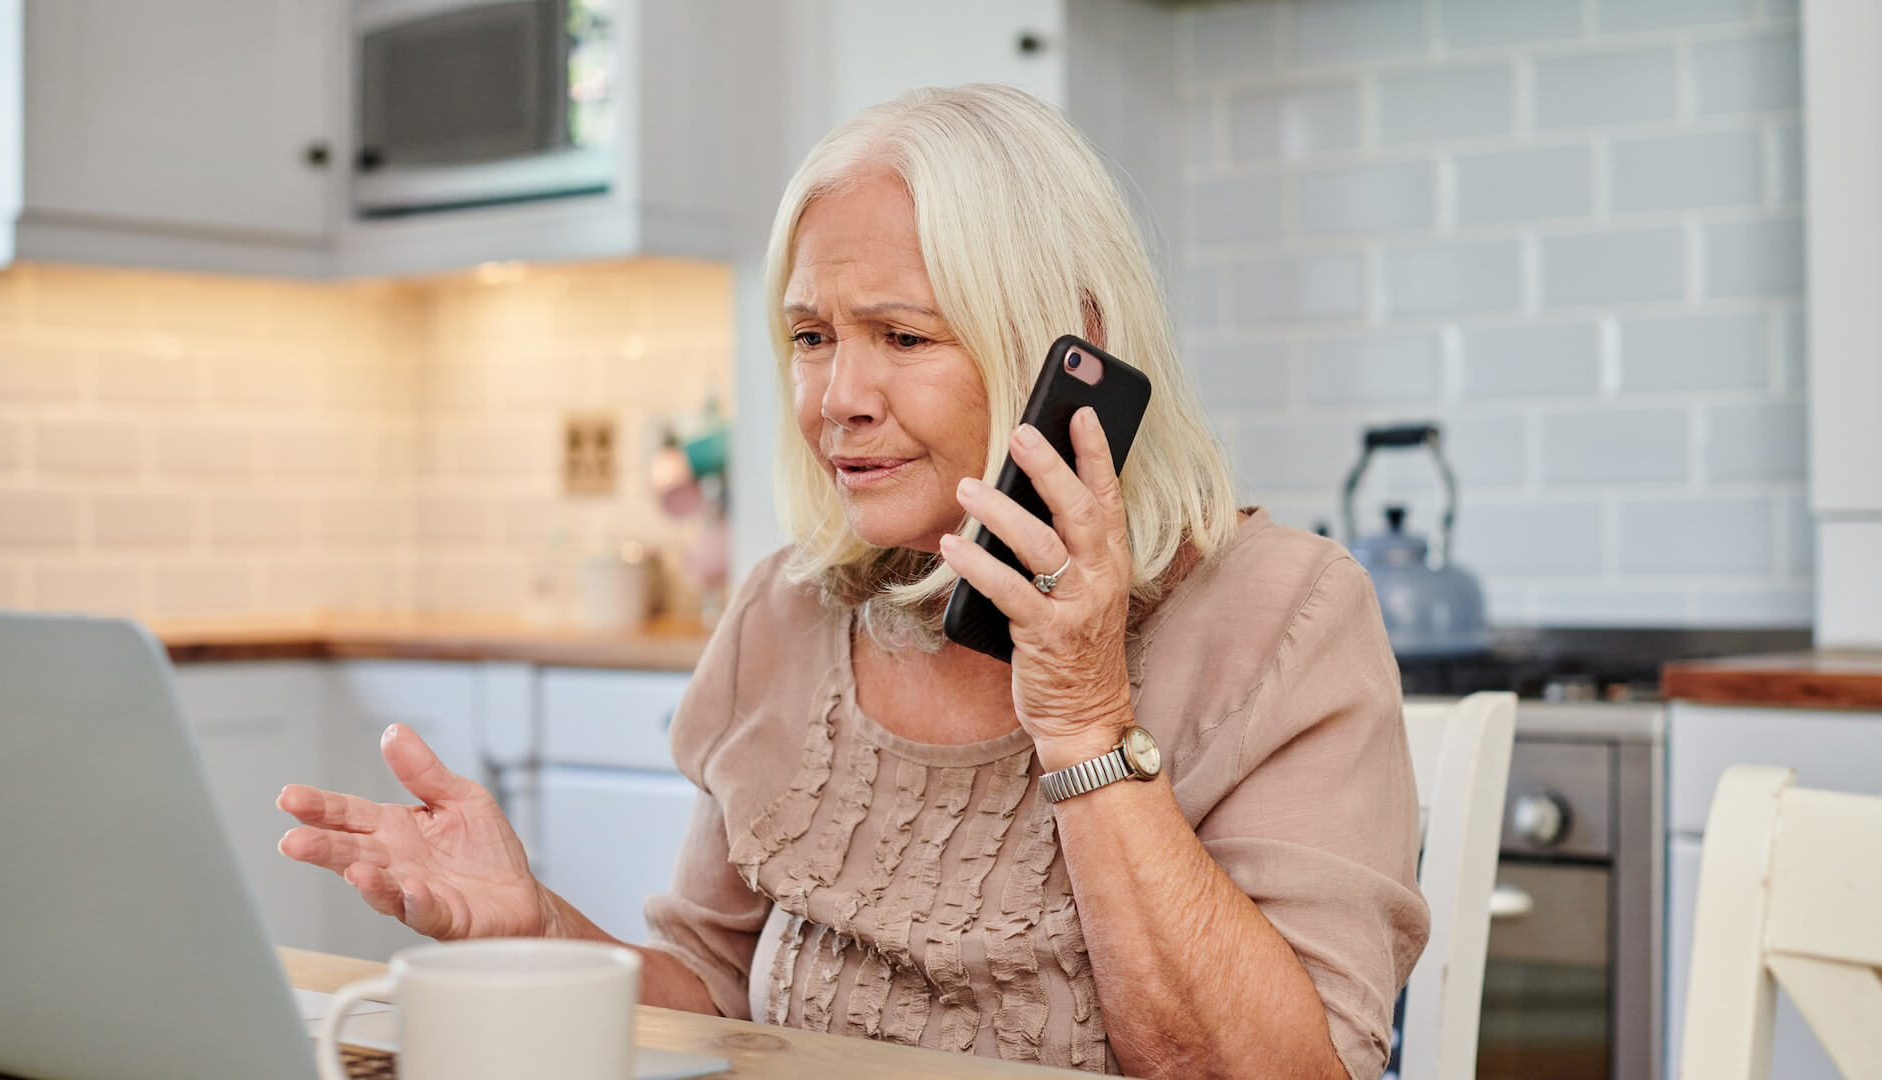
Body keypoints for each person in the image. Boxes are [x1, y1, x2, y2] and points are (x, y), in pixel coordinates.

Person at [278, 84, 1427, 1079]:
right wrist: (528, 923)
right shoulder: (785, 610)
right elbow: (715, 1010)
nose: (838, 398)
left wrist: (1083, 720)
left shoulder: (1287, 614)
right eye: (812, 337)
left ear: (1064, 349)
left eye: (904, 337)